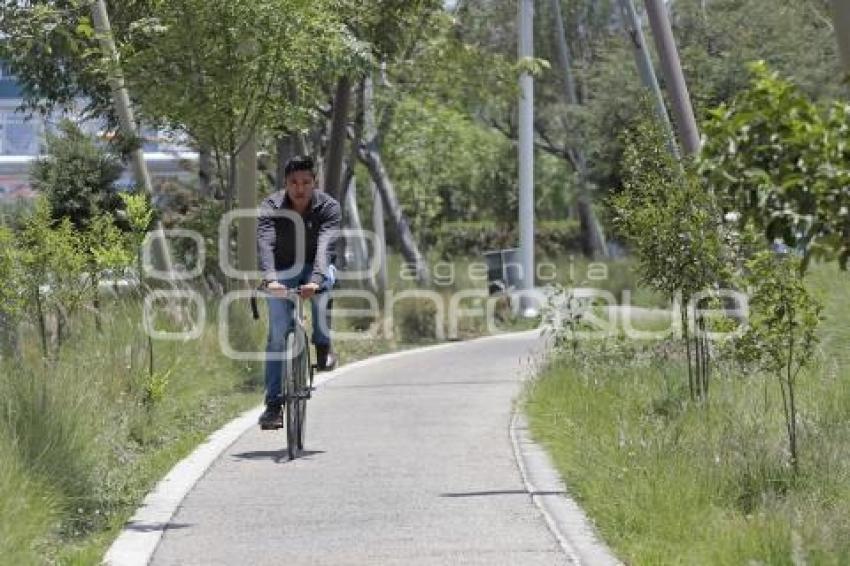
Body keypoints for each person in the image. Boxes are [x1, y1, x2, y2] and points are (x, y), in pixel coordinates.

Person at [256, 155, 341, 430]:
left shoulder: (329, 207)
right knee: (278, 335)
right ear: (285, 184)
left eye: (306, 182)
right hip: (282, 271)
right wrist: (270, 280)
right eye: (294, 182)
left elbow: (324, 248)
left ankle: (323, 343)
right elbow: (266, 244)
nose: (300, 188)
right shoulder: (270, 206)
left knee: (324, 290)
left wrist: (315, 281)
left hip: (316, 267)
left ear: (314, 183)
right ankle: (273, 405)